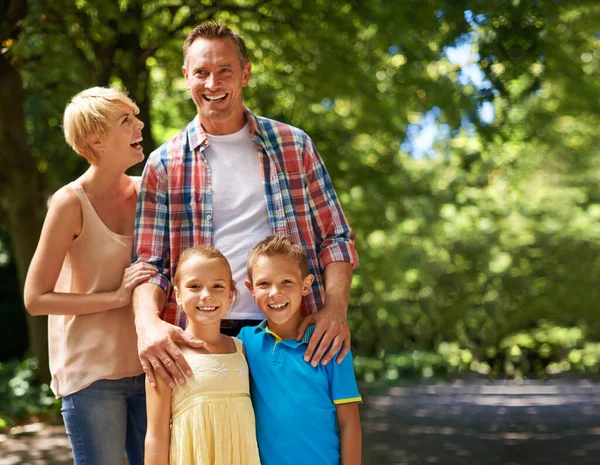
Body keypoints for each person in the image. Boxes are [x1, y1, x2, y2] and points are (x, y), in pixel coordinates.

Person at [133, 21, 359, 391]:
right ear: (186, 76)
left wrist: (335, 310)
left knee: (290, 449)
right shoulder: (164, 163)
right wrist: (147, 323)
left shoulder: (294, 146)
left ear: (245, 74)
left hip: (291, 332)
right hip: (201, 340)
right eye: (201, 72)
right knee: (213, 448)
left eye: (224, 71)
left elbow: (336, 237)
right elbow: (148, 265)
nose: (212, 83)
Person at [23, 87, 157, 465]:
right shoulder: (70, 202)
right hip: (91, 377)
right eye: (126, 120)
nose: (140, 124)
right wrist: (116, 297)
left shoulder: (148, 192)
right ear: (95, 140)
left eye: (135, 115)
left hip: (151, 367)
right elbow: (36, 298)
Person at [239, 235, 362, 465]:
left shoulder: (331, 346)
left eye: (286, 281)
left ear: (306, 285)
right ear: (251, 289)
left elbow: (349, 424)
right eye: (264, 283)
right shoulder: (244, 343)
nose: (275, 292)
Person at [145, 245, 261, 465]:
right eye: (195, 286)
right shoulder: (166, 356)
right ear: (178, 295)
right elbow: (156, 436)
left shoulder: (242, 350)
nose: (206, 295)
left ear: (230, 295)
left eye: (217, 286)